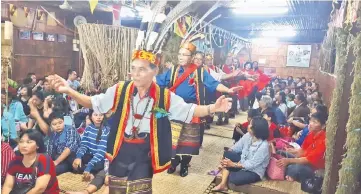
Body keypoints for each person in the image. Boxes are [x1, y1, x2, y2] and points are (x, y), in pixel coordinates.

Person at [46, 48, 231, 193]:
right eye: (133, 69)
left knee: (140, 190)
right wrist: (69, 91)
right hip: (120, 148)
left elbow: (188, 111)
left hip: (144, 151)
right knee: (116, 188)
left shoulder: (163, 96)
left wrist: (213, 108)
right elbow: (94, 103)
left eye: (141, 69)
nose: (135, 74)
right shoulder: (120, 89)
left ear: (155, 71)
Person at [157, 42, 242, 177]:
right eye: (179, 54)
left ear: (191, 57)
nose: (180, 57)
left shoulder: (200, 72)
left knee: (189, 140)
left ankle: (184, 165)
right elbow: (158, 81)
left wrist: (228, 90)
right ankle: (173, 163)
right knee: (172, 139)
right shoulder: (173, 70)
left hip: (193, 110)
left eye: (184, 55)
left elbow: (213, 84)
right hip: (175, 110)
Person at [212, 117, 270, 192]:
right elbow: (237, 147)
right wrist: (226, 155)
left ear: (256, 129)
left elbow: (251, 164)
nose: (248, 125)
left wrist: (234, 165)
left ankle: (226, 173)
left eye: (250, 124)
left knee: (233, 178)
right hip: (242, 162)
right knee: (227, 154)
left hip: (254, 171)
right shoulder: (248, 136)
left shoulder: (263, 146)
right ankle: (223, 184)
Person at [2, 129, 60, 194]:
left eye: (29, 142)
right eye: (21, 142)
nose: (24, 145)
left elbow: (39, 189)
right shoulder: (15, 161)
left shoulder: (44, 159)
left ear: (37, 145)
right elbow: (8, 186)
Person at [277, 112, 327, 183]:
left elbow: (307, 160)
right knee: (280, 152)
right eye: (311, 120)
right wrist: (291, 151)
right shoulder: (311, 134)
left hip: (313, 168)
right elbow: (302, 151)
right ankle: (287, 172)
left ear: (323, 126)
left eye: (314, 122)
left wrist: (289, 160)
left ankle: (288, 174)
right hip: (302, 161)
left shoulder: (323, 140)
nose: (311, 124)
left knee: (294, 167)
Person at [72, 110, 109, 180]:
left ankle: (90, 172)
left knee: (100, 165)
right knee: (74, 158)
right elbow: (84, 145)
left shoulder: (106, 130)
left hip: (100, 158)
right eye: (95, 115)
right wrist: (78, 157)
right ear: (91, 117)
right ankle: (89, 172)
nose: (98, 117)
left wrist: (89, 166)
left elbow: (100, 153)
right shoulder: (88, 128)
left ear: (104, 116)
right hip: (90, 156)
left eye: (101, 115)